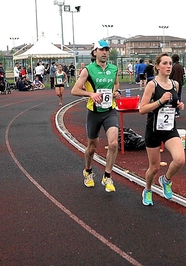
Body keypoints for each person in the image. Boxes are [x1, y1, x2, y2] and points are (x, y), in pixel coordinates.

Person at [71, 39, 121, 193]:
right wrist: (91, 94)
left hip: (110, 111)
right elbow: (74, 90)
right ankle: (88, 171)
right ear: (95, 52)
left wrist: (116, 92)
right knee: (92, 147)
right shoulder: (88, 70)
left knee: (113, 144)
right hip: (94, 113)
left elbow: (116, 84)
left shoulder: (113, 69)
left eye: (107, 49)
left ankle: (107, 176)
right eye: (101, 50)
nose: (105, 52)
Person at [139, 53, 185, 206]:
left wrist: (179, 105)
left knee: (180, 160)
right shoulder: (152, 85)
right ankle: (148, 189)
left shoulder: (175, 84)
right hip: (153, 130)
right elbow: (142, 109)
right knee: (154, 168)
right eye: (165, 63)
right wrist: (160, 101)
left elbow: (174, 101)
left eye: (170, 63)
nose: (169, 66)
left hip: (170, 128)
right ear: (157, 66)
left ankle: (166, 180)